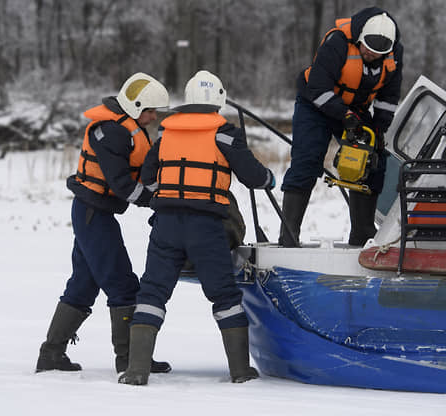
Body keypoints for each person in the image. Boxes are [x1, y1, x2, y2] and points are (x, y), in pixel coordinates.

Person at [118, 70, 275, 386]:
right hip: (206, 227)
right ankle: (240, 371)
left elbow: (148, 177)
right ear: (219, 100)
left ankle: (136, 371)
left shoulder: (165, 134)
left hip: (165, 226)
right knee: (224, 295)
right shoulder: (225, 134)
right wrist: (270, 178)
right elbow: (254, 177)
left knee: (152, 292)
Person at [35, 72, 172, 375]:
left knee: (83, 286)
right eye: (150, 111)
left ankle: (51, 355)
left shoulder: (127, 128)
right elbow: (122, 183)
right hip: (92, 215)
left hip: (94, 213)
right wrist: (155, 200)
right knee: (123, 285)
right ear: (135, 106)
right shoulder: (111, 132)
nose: (154, 117)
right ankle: (130, 360)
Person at [279, 7, 404, 247]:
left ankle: (362, 234)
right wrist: (344, 115)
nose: (370, 54)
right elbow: (317, 87)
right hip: (315, 104)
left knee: (372, 161)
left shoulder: (394, 54)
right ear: (360, 39)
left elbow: (389, 97)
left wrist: (379, 128)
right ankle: (289, 232)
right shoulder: (337, 43)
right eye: (367, 48)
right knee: (307, 161)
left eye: (378, 52)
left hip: (354, 108)